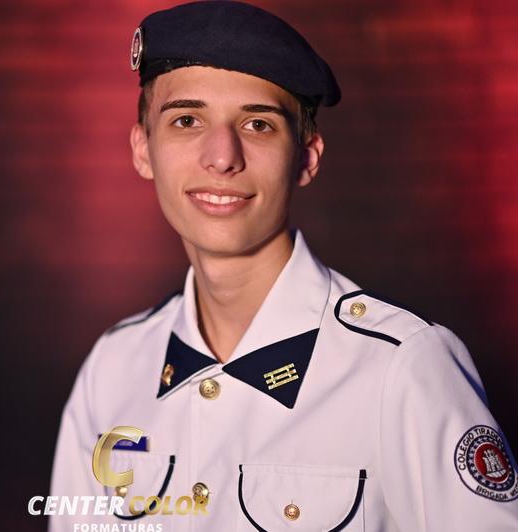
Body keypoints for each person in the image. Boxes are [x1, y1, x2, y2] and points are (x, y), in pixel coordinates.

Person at [48, 2, 518, 530]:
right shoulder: (112, 369)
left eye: (257, 124)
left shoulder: (402, 367)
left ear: (307, 157)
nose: (222, 156)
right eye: (186, 120)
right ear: (143, 149)